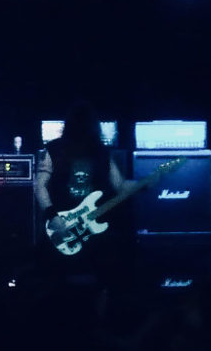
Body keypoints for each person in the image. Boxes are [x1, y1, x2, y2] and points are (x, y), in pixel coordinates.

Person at [33, 99, 139, 289]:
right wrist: (52, 216)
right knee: (57, 282)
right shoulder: (54, 150)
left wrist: (145, 183)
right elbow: (40, 185)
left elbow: (120, 186)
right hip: (62, 226)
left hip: (91, 229)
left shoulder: (101, 153)